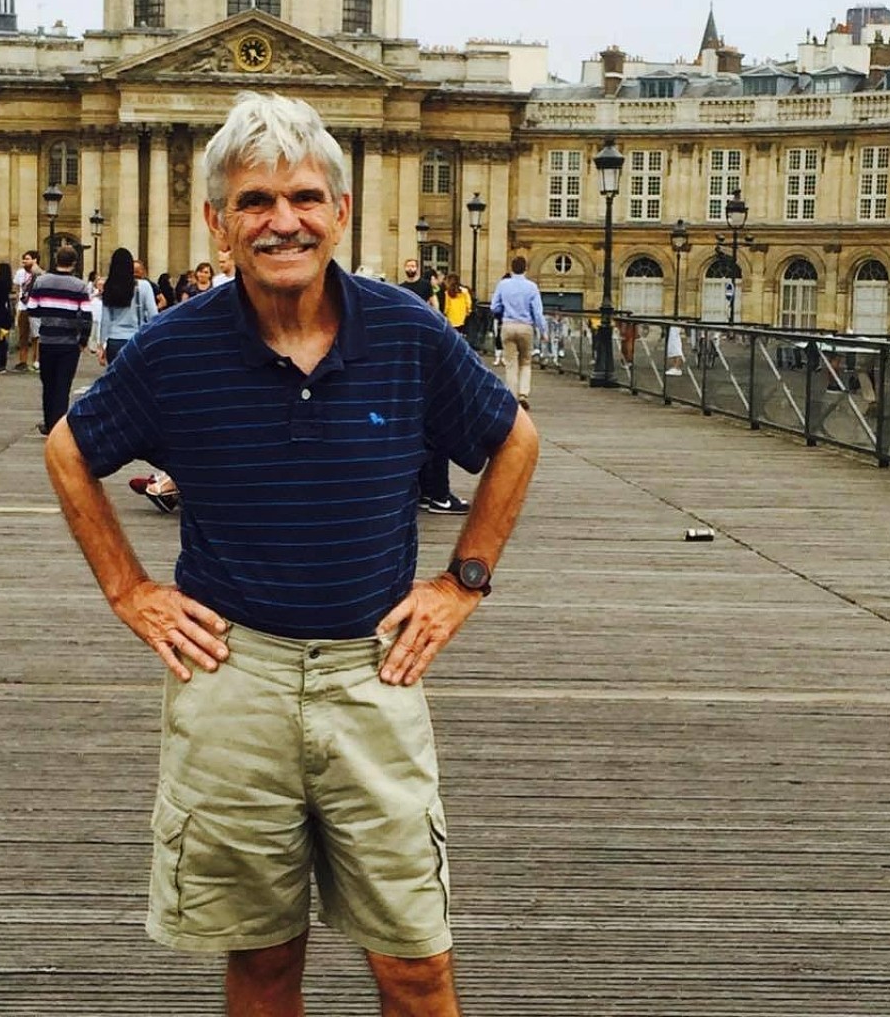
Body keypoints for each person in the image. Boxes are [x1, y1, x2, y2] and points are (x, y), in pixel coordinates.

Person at [43, 91, 538, 1016]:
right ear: (218, 222)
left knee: (416, 965)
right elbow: (69, 449)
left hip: (372, 675)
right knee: (262, 964)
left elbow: (515, 438)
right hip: (234, 676)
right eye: (256, 201)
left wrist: (462, 581)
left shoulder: (407, 331)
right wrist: (128, 589)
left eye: (305, 197)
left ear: (340, 212)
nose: (284, 221)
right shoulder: (174, 348)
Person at [395, 261, 469, 515]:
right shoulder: (428, 317)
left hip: (407, 386)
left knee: (421, 431)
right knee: (437, 431)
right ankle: (438, 495)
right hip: (426, 373)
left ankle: (425, 492)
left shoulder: (399, 300)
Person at [25, 245, 91, 435]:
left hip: (47, 340)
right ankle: (57, 425)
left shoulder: (41, 282)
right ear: (74, 263)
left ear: (56, 260)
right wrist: (83, 340)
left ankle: (48, 422)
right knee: (63, 385)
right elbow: (86, 316)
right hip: (69, 343)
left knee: (48, 384)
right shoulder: (79, 286)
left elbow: (32, 309)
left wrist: (49, 312)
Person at [490, 256, 546, 410]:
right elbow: (538, 312)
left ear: (511, 268)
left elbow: (494, 307)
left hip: (508, 325)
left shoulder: (503, 285)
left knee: (511, 363)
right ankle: (523, 394)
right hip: (525, 326)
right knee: (525, 362)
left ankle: (512, 396)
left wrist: (503, 310)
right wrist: (543, 331)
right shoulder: (532, 287)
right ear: (526, 268)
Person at [100, 247, 159, 366]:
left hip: (114, 340)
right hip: (136, 339)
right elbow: (153, 315)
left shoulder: (109, 287)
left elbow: (105, 320)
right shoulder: (144, 286)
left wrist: (101, 345)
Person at [13, 249, 42, 372]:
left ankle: (36, 360)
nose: (24, 261)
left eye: (27, 259)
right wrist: (17, 306)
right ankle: (23, 361)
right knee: (23, 335)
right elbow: (17, 289)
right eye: (24, 259)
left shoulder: (40, 274)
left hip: (35, 308)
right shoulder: (20, 273)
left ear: (35, 260)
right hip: (23, 306)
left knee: (36, 335)